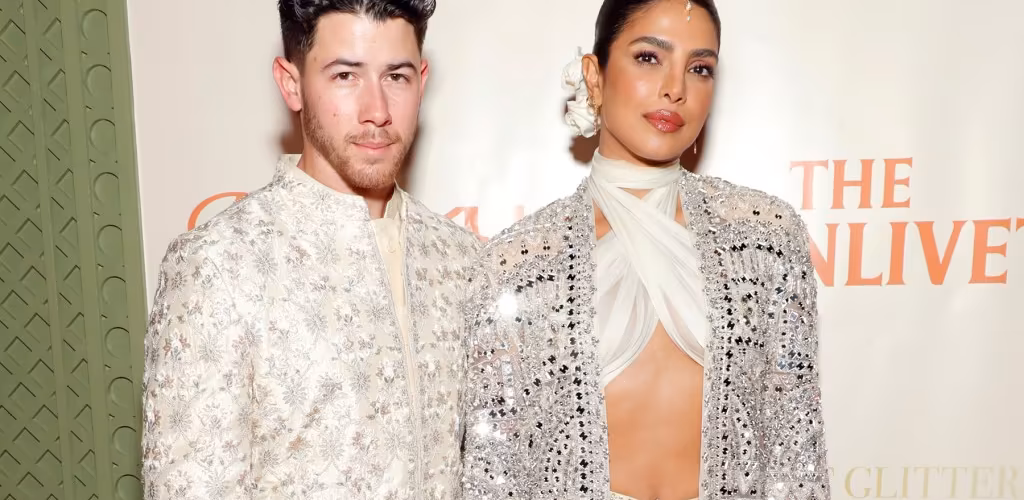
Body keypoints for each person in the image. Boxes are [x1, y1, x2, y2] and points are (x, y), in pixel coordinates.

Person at [460, 0, 830, 499]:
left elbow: (797, 452)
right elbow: (493, 474)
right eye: (649, 58)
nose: (676, 88)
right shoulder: (518, 266)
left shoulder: (766, 239)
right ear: (594, 77)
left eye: (699, 68)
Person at [140, 1, 479, 498]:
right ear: (291, 84)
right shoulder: (219, 264)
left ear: (421, 82)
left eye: (396, 77)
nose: (377, 111)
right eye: (345, 75)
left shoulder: (461, 260)